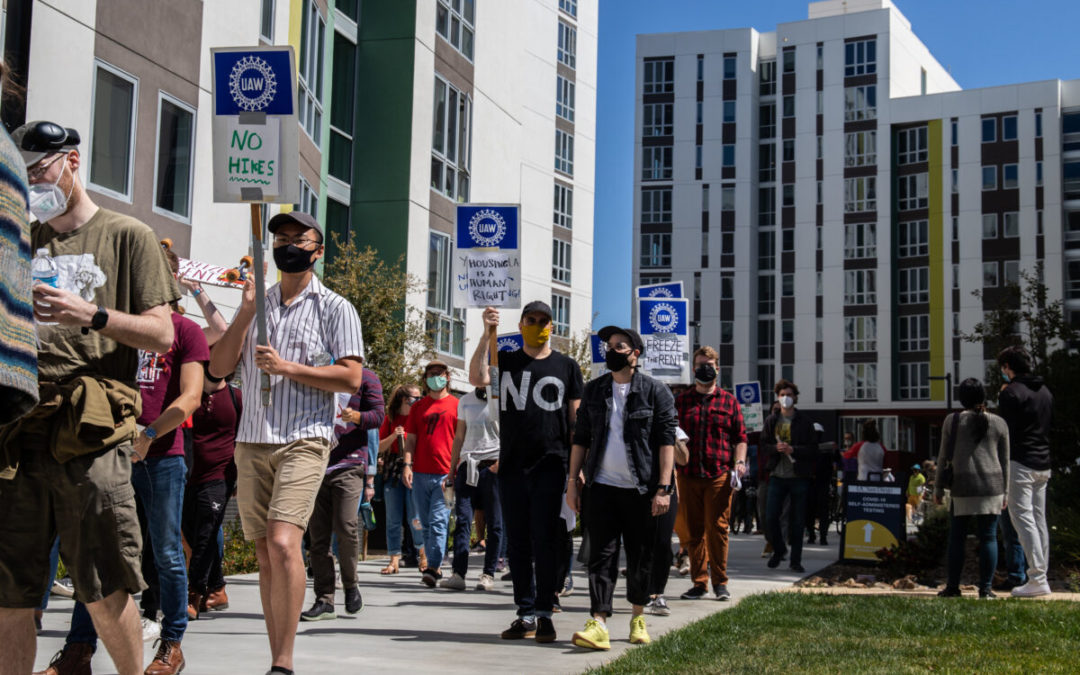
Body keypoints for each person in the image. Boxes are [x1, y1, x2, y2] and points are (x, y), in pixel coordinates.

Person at [0, 120, 178, 675]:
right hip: (21, 422)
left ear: (71, 162)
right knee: (10, 594)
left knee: (103, 586)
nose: (31, 183)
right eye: (21, 174)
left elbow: (164, 333)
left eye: (40, 170)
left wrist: (92, 314)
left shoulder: (128, 234)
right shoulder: (18, 240)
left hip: (92, 425)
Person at [208, 210, 364, 675]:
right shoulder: (259, 301)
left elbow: (351, 377)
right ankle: (277, 657)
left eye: (300, 238)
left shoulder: (336, 308)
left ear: (318, 250)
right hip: (252, 439)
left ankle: (284, 659)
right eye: (281, 237)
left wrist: (289, 368)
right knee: (263, 551)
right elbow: (218, 367)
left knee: (281, 542)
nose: (289, 244)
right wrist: (246, 312)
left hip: (305, 438)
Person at [468, 301, 583, 644]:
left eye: (543, 321)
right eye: (531, 320)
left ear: (552, 326)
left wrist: (577, 472)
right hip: (513, 466)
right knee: (518, 544)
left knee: (546, 541)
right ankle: (526, 613)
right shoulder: (506, 362)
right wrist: (487, 332)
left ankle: (546, 612)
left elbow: (576, 422)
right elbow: (476, 377)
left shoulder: (567, 366)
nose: (538, 325)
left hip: (553, 465)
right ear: (520, 326)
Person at [566, 326, 675, 650]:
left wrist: (664, 488)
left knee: (641, 556)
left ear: (634, 353)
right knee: (601, 556)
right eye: (608, 346)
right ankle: (598, 622)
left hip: (641, 490)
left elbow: (665, 442)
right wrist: (573, 482)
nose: (610, 351)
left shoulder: (656, 392)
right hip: (601, 486)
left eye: (618, 346)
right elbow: (581, 439)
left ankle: (637, 618)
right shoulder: (594, 390)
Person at [302, 368, 384, 620]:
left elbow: (378, 416)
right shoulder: (316, 373)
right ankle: (324, 599)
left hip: (350, 465)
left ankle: (351, 585)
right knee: (317, 536)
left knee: (347, 526)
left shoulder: (367, 378)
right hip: (316, 463)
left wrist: (357, 416)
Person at [675, 346, 748, 601]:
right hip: (687, 474)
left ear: (718, 368)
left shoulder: (730, 401)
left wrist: (740, 462)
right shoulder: (682, 400)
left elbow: (741, 437)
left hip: (719, 475)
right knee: (693, 531)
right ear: (693, 368)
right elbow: (671, 434)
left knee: (717, 529)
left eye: (709, 364)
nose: (705, 368)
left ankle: (720, 583)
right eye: (700, 364)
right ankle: (699, 582)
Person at [934, 378, 1009, 599]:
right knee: (988, 537)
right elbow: (1005, 461)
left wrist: (938, 488)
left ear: (961, 398)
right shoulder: (999, 422)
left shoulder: (953, 421)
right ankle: (986, 589)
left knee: (957, 537)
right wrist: (1006, 492)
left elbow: (942, 456)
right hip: (992, 486)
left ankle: (953, 587)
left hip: (962, 485)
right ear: (983, 396)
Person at [183, 364, 242, 619]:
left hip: (220, 476)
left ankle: (193, 594)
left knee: (207, 532)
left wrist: (240, 476)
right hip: (186, 475)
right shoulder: (188, 393)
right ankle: (217, 589)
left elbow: (244, 437)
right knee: (192, 536)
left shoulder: (236, 397)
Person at [997, 346, 1054, 598]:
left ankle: (1037, 578)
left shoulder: (1011, 393)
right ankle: (1041, 576)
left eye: (1003, 368)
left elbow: (1004, 432)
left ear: (1008, 367)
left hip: (1019, 461)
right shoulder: (1045, 391)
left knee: (1022, 518)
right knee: (1039, 519)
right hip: (1043, 462)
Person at [402, 360, 458, 588]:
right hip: (421, 474)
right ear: (425, 380)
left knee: (438, 521)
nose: (437, 377)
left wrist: (455, 472)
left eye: (441, 373)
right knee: (424, 523)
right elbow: (411, 440)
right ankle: (435, 564)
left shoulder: (457, 405)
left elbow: (461, 440)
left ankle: (433, 568)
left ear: (447, 377)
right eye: (432, 373)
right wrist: (407, 465)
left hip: (445, 474)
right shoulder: (418, 407)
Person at [442, 386, 502, 591]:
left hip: (493, 465)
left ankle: (488, 573)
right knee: (463, 520)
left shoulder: (501, 397)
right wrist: (452, 470)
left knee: (495, 523)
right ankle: (458, 573)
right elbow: (459, 436)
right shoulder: (465, 400)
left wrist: (500, 463)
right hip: (467, 465)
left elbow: (513, 432)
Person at [761, 380, 817, 574]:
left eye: (789, 394)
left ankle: (795, 560)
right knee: (770, 517)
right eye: (782, 394)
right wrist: (774, 448)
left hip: (798, 476)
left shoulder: (805, 421)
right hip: (777, 474)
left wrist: (794, 450)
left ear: (795, 397)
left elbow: (813, 449)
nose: (786, 398)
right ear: (777, 397)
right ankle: (779, 549)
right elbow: (764, 445)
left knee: (798, 520)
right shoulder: (771, 421)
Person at [378, 385, 425, 575]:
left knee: (415, 516)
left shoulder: (419, 417)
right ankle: (393, 560)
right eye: (415, 397)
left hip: (414, 468)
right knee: (393, 518)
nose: (418, 400)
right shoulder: (390, 418)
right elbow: (379, 446)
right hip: (393, 470)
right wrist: (393, 436)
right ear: (404, 399)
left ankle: (424, 556)